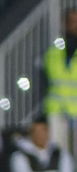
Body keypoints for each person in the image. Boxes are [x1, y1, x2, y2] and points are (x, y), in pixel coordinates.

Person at [43, 9, 77, 149]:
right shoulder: (53, 53)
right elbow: (46, 81)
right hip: (56, 111)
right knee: (59, 153)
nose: (73, 25)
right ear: (64, 24)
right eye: (70, 21)